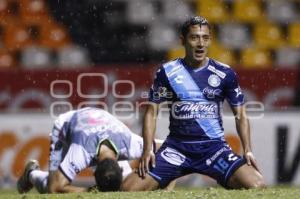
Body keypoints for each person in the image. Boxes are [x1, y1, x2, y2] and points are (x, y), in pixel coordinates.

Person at [122, 16, 266, 191]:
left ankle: (224, 176)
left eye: (205, 38)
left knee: (257, 185)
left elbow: (241, 115)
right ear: (182, 41)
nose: (200, 44)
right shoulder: (167, 72)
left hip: (214, 149)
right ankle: (167, 179)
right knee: (128, 190)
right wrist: (147, 150)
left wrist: (248, 149)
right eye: (194, 37)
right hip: (176, 149)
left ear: (210, 40)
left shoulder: (224, 73)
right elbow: (151, 113)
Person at [17, 107, 171, 194]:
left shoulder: (129, 142)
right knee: (51, 187)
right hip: (65, 127)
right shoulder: (80, 152)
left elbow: (170, 149)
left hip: (96, 121)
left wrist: (167, 189)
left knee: (118, 184)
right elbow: (54, 188)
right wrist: (90, 191)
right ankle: (31, 174)